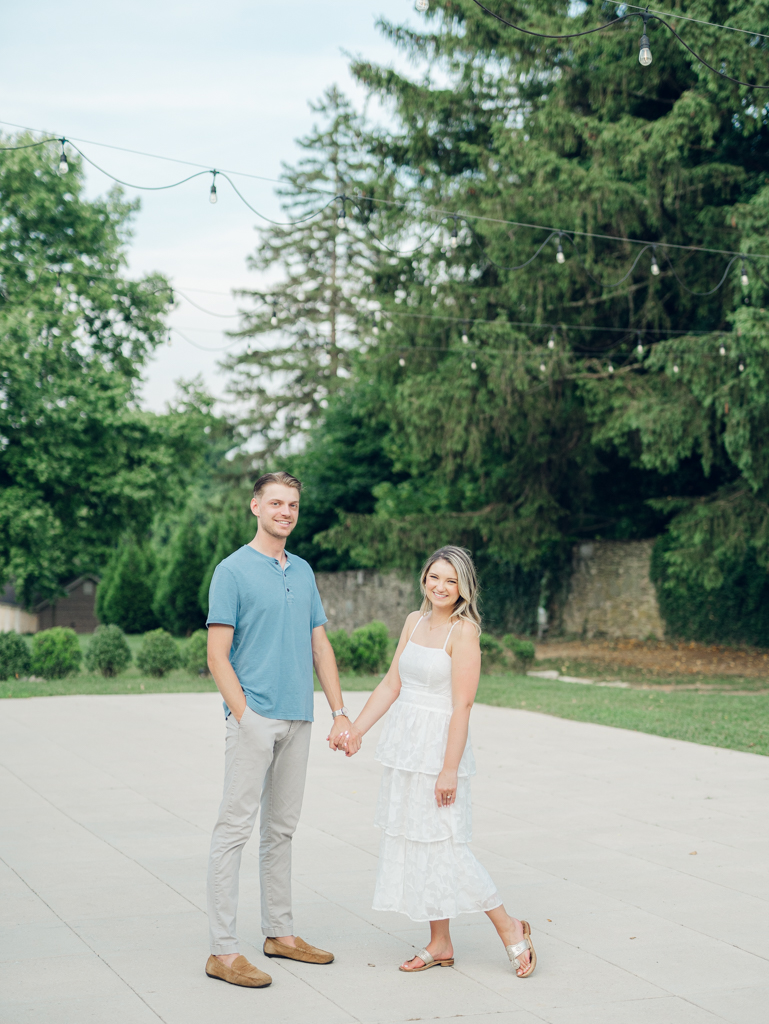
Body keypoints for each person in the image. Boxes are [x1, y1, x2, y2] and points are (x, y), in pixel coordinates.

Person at [338, 546, 536, 977]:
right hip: (406, 750)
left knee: (447, 846)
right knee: (418, 842)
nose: (441, 587)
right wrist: (355, 729)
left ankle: (509, 926)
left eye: (451, 580)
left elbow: (462, 706)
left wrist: (449, 769)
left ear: (464, 586)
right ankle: (440, 942)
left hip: (440, 750)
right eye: (434, 577)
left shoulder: (464, 633)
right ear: (423, 579)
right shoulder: (414, 621)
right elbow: (392, 684)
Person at [204, 471, 352, 989]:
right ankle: (223, 950)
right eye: (275, 503)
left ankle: (280, 935)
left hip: (300, 717)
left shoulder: (305, 571)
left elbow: (320, 645)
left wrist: (338, 711)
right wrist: (245, 717)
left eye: (292, 504)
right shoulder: (232, 571)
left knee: (281, 831)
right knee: (234, 831)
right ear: (255, 507)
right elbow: (216, 656)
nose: (285, 512)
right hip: (255, 718)